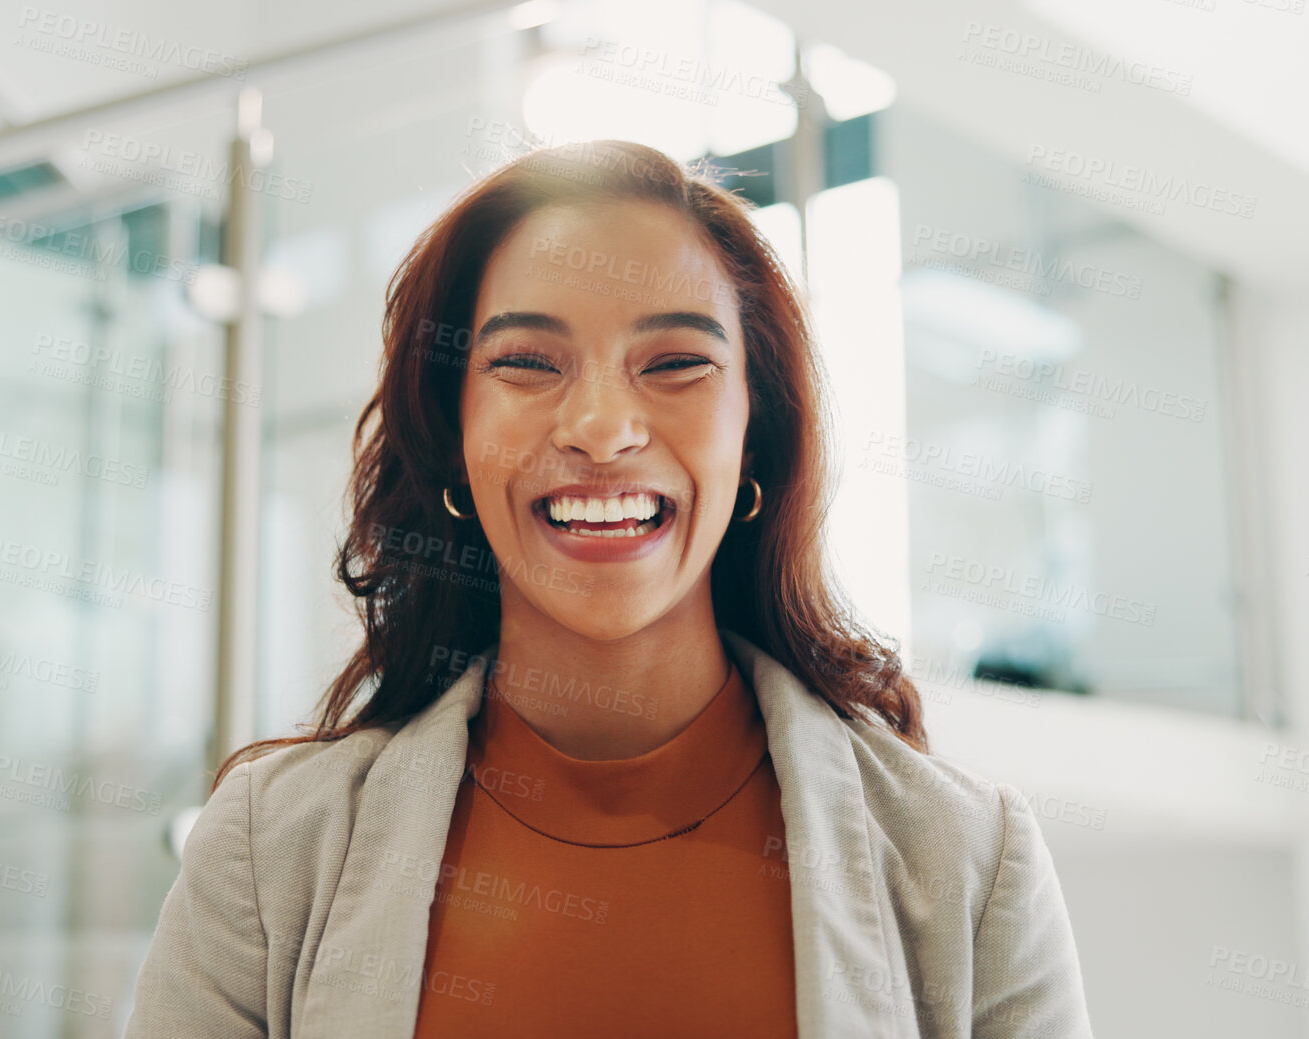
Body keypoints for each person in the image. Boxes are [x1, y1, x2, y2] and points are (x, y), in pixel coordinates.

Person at [123, 138, 1094, 1038]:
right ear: (452, 433)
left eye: (676, 362)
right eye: (527, 363)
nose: (600, 425)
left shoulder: (968, 858)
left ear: (756, 429)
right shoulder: (267, 848)